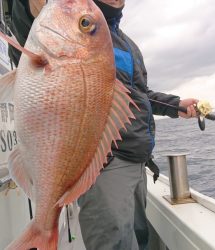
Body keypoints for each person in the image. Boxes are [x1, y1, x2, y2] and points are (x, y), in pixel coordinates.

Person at [8, 0, 198, 249]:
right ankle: (44, 227)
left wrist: (176, 105)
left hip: (138, 159)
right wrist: (26, 6)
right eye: (85, 24)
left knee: (138, 238)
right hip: (106, 165)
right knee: (114, 243)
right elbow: (25, 37)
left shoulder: (127, 44)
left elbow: (140, 94)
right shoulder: (66, 25)